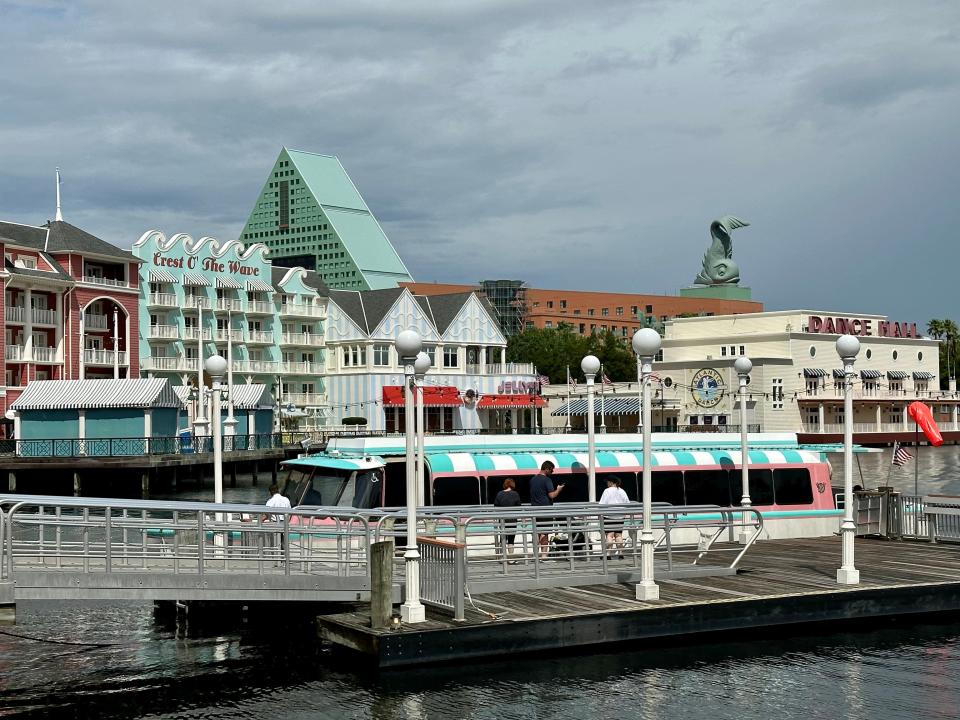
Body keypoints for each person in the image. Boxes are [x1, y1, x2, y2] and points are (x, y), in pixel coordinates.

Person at [529, 461, 564, 558]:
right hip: (545, 509)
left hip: (534, 509)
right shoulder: (547, 480)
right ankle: (544, 555)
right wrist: (558, 489)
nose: (552, 472)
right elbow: (552, 495)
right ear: (547, 469)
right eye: (551, 470)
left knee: (536, 532)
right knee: (545, 532)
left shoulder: (533, 479)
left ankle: (536, 554)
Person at [599, 476, 630, 559]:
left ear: (612, 482)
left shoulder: (607, 491)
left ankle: (608, 554)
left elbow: (601, 504)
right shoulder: (622, 491)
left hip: (609, 516)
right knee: (619, 535)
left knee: (609, 535)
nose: (607, 483)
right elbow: (627, 503)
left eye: (608, 481)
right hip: (620, 516)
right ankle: (620, 553)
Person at [494, 478, 521, 562]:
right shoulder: (515, 494)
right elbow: (519, 506)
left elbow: (496, 506)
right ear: (512, 484)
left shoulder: (499, 494)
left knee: (503, 538)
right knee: (511, 539)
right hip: (512, 519)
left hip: (502, 519)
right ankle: (511, 558)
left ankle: (503, 557)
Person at [263, 484, 292, 555]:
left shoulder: (270, 501)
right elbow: (290, 512)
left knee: (276, 542)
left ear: (270, 492)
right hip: (285, 523)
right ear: (278, 490)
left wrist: (260, 520)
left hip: (275, 523)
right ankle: (285, 557)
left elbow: (266, 514)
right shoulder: (286, 499)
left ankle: (277, 558)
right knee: (284, 541)